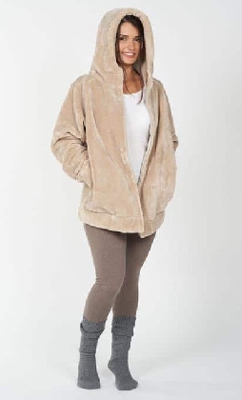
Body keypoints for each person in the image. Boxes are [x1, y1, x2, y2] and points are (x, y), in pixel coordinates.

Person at [50, 8, 178, 391]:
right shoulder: (86, 88)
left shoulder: (154, 90)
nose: (130, 45)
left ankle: (119, 359)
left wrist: (160, 183)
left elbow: (168, 140)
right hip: (104, 207)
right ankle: (86, 355)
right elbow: (63, 139)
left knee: (130, 280)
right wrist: (94, 175)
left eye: (136, 38)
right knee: (110, 280)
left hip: (145, 207)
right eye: (123, 37)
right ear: (109, 40)